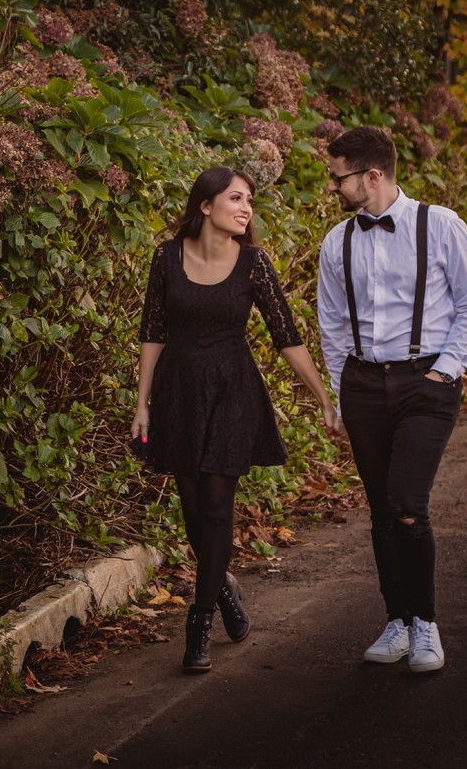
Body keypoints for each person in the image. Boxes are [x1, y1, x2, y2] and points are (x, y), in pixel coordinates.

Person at [132, 166, 338, 674]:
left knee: (218, 505)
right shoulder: (166, 257)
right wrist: (142, 403)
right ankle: (221, 584)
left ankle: (198, 623)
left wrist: (324, 398)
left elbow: (286, 336)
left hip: (233, 392)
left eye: (249, 200)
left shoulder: (254, 264)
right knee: (193, 512)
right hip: (179, 391)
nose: (246, 209)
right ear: (206, 205)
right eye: (236, 198)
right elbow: (153, 332)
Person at [317, 126, 467, 673]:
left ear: (372, 175)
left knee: (407, 503)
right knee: (380, 509)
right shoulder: (337, 242)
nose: (333, 187)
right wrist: (343, 393)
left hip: (426, 383)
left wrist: (444, 371)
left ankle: (426, 624)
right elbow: (332, 325)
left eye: (339, 178)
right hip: (364, 386)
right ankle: (397, 620)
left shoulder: (439, 225)